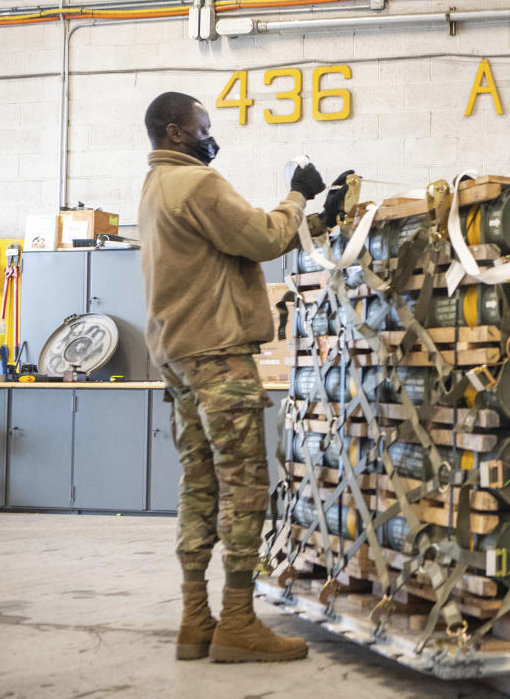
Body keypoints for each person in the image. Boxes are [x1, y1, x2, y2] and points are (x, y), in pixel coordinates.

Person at [138, 91, 347, 663]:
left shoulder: (157, 187)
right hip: (217, 355)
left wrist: (316, 219)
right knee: (244, 485)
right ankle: (236, 622)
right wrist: (299, 194)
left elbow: (233, 246)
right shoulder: (199, 184)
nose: (212, 136)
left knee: (199, 485)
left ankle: (194, 619)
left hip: (177, 355)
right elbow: (260, 237)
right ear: (177, 132)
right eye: (204, 127)